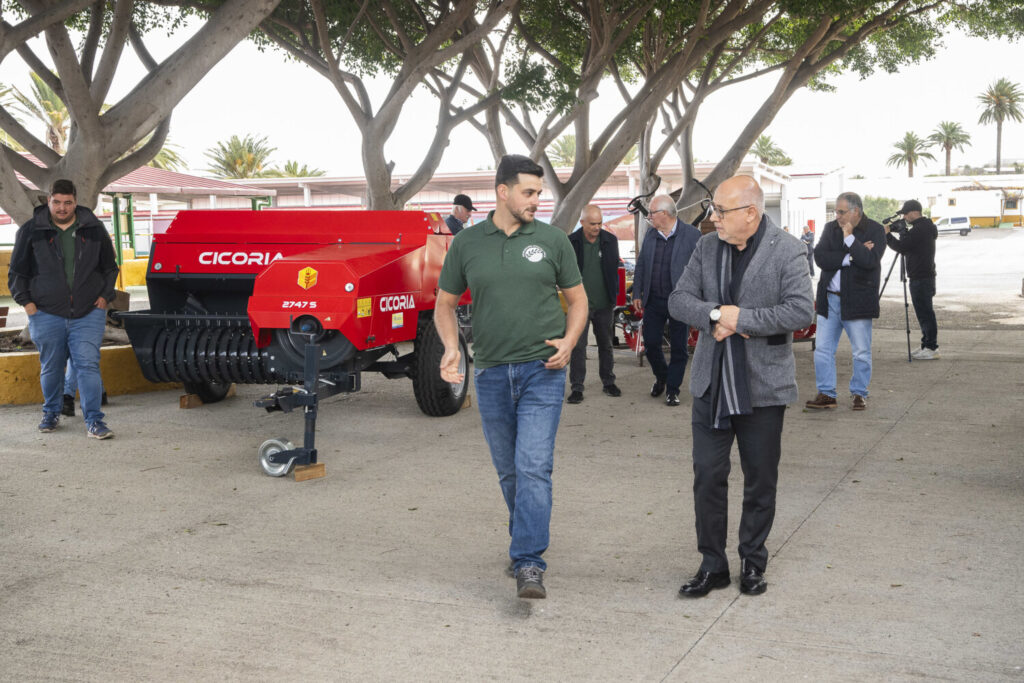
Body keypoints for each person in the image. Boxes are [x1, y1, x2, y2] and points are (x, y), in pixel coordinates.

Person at [434, 154, 586, 600]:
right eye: (529, 192)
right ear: (503, 192)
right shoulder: (467, 244)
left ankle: (528, 562)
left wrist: (570, 341)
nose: (537, 200)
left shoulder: (554, 241)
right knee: (509, 473)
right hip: (493, 374)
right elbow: (444, 304)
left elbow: (577, 301)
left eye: (539, 193)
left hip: (544, 371)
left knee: (533, 466)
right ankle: (525, 539)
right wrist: (449, 348)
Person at [669, 175, 814, 597]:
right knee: (708, 475)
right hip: (712, 382)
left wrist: (741, 319)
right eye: (713, 211)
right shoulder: (705, 246)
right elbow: (680, 300)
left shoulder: (788, 249)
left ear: (751, 213)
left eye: (721, 212)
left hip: (763, 386)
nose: (713, 219)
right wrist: (716, 315)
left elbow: (800, 310)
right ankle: (713, 565)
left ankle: (752, 561)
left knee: (760, 478)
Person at [8, 179, 117, 438]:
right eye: (57, 202)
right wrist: (28, 303)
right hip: (45, 313)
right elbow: (17, 272)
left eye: (68, 202)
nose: (62, 208)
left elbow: (110, 267)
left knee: (88, 365)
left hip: (88, 312)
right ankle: (51, 413)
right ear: (49, 201)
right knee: (51, 367)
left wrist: (104, 297)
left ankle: (94, 421)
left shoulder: (92, 228)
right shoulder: (32, 230)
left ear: (75, 202)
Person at [805, 192, 886, 411]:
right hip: (829, 299)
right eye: (836, 212)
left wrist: (850, 238)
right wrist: (851, 256)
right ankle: (826, 393)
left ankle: (859, 393)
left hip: (858, 300)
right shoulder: (830, 228)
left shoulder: (876, 230)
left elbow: (869, 261)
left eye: (841, 212)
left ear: (855, 211)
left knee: (861, 351)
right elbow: (820, 258)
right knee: (822, 349)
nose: (837, 216)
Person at [631, 195, 701, 406]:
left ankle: (672, 389)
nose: (649, 217)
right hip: (654, 300)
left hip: (681, 301)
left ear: (664, 214)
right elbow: (641, 264)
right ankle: (662, 377)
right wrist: (637, 293)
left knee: (679, 348)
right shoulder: (651, 235)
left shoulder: (692, 235)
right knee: (651, 344)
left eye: (652, 213)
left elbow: (701, 268)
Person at [566, 204, 621, 403]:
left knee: (605, 345)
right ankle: (577, 387)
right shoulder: (571, 241)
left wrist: (615, 297)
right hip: (578, 305)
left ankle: (608, 382)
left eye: (599, 223)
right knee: (578, 347)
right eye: (592, 224)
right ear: (582, 222)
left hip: (604, 303)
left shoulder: (610, 241)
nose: (597, 227)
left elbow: (614, 269)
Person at [885, 199, 939, 360]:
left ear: (914, 212)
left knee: (925, 313)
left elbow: (902, 247)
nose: (905, 218)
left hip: (921, 278)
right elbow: (908, 246)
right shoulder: (924, 227)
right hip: (923, 276)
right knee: (924, 313)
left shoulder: (920, 229)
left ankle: (931, 347)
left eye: (906, 214)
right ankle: (926, 345)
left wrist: (888, 235)